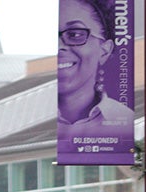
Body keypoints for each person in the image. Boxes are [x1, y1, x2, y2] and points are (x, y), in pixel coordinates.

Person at [58, 0, 132, 134]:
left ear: (104, 51)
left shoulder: (125, 122)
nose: (58, 47)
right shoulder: (27, 116)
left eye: (75, 34)